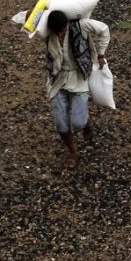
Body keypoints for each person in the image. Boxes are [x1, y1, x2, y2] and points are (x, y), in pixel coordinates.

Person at [43, 10, 110, 170]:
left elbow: (104, 30)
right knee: (61, 124)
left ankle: (86, 123)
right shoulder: (46, 32)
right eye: (57, 31)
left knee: (78, 122)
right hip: (58, 80)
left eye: (62, 30)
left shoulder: (81, 26)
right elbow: (26, 21)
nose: (60, 34)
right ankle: (73, 152)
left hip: (80, 77)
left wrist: (101, 54)